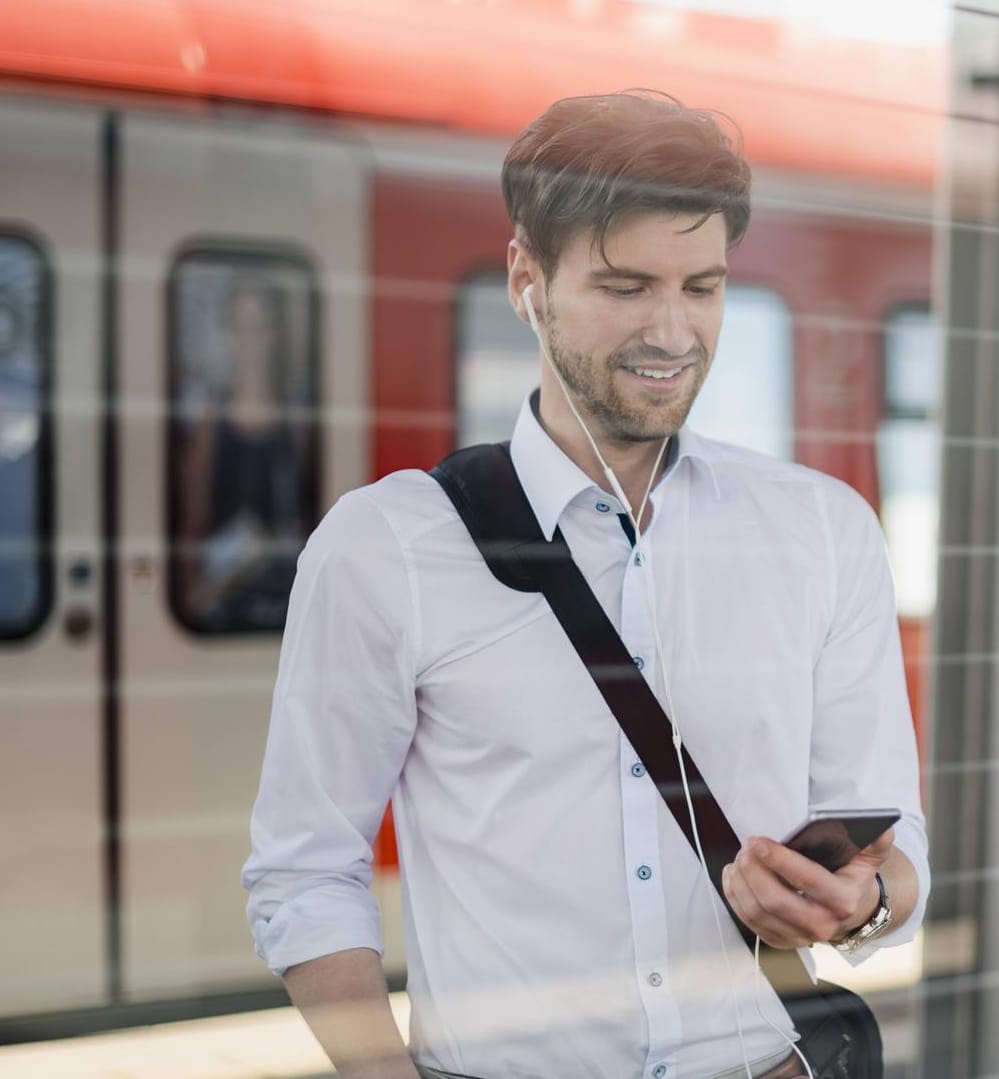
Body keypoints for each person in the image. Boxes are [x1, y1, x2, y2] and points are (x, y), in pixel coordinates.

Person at [242, 91, 929, 1079]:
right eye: (625, 285)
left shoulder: (822, 531)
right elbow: (305, 867)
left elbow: (899, 857)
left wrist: (858, 904)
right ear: (528, 278)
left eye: (703, 286)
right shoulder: (385, 547)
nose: (672, 331)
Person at [176, 275, 313, 630]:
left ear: (273, 335)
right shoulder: (211, 423)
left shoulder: (295, 426)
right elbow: (193, 521)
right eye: (241, 327)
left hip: (283, 604)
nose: (250, 340)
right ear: (230, 336)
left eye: (259, 327)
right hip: (222, 600)